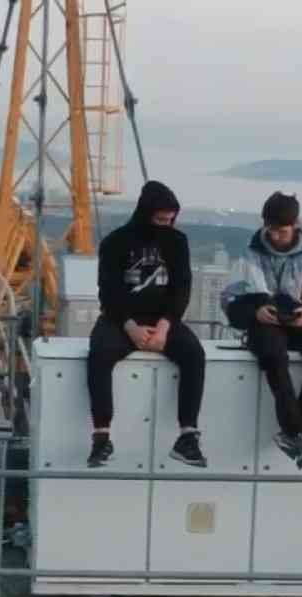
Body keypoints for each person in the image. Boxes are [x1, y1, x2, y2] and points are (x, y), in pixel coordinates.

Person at [86, 180, 207, 468]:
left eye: (171, 219)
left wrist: (165, 326)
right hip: (121, 320)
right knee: (100, 353)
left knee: (194, 354)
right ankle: (102, 436)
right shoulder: (115, 242)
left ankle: (187, 435)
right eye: (160, 219)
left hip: (163, 320)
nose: (166, 224)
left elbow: (182, 289)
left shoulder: (178, 242)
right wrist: (130, 327)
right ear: (145, 213)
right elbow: (108, 292)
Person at [224, 192, 302, 468]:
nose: (276, 236)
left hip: (298, 318)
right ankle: (297, 431)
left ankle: (298, 427)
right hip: (263, 318)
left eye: (282, 230)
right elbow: (230, 299)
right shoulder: (250, 254)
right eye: (271, 230)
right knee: (273, 356)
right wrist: (254, 311)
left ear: (296, 225)